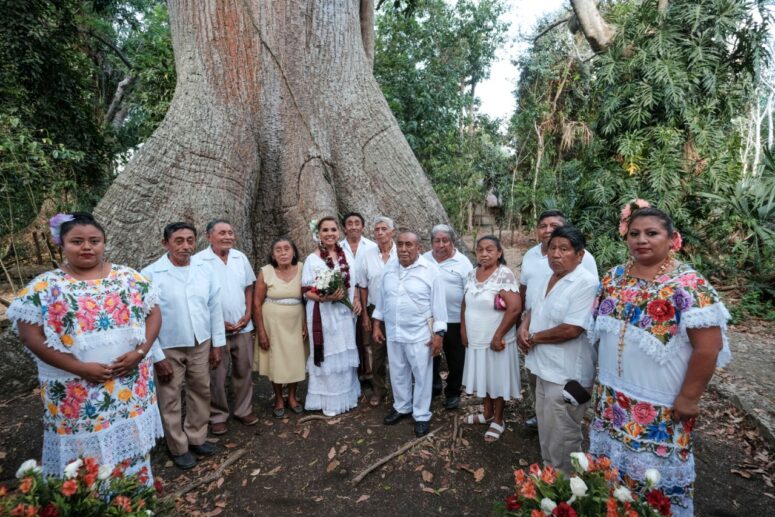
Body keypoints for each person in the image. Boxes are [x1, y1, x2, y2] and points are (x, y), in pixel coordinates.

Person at [588, 205, 730, 516]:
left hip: (661, 404)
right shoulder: (614, 277)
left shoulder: (689, 284)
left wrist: (689, 397)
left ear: (672, 239)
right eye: (635, 233)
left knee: (656, 490)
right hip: (613, 397)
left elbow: (709, 347)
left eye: (652, 233)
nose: (642, 240)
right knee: (613, 482)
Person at [7, 212, 164, 481]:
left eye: (95, 240)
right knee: (84, 462)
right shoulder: (46, 286)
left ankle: (134, 503)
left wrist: (140, 353)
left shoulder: (130, 278)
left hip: (130, 385)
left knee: (132, 453)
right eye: (77, 241)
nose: (87, 247)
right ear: (62, 245)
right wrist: (80, 368)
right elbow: (30, 336)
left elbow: (154, 313)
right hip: (77, 392)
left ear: (104, 243)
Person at [142, 222, 226, 470]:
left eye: (190, 240)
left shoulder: (204, 270)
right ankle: (178, 446)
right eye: (179, 241)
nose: (186, 246)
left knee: (201, 390)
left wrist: (217, 344)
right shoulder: (150, 274)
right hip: (168, 346)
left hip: (200, 341)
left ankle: (197, 437)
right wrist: (157, 356)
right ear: (165, 243)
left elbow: (214, 308)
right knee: (170, 397)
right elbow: (145, 318)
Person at [517, 226, 598, 472]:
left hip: (566, 374)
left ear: (580, 254)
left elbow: (572, 329)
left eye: (564, 249)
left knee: (564, 433)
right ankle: (548, 479)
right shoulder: (546, 277)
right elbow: (536, 307)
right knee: (546, 427)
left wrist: (534, 337)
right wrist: (524, 326)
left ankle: (568, 487)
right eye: (552, 248)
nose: (556, 254)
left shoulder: (586, 283)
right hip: (542, 367)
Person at [372, 231, 447, 437]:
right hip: (394, 331)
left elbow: (439, 306)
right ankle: (402, 406)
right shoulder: (389, 268)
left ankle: (422, 414)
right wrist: (377, 325)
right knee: (397, 371)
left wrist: (438, 335)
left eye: (409, 245)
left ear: (418, 248)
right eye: (401, 244)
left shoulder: (430, 271)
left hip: (420, 334)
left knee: (422, 375)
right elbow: (382, 299)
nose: (404, 249)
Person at [195, 220, 257, 435]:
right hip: (215, 330)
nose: (228, 236)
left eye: (230, 232)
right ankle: (218, 415)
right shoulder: (198, 261)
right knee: (216, 375)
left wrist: (248, 314)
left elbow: (249, 287)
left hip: (243, 326)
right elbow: (197, 297)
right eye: (222, 233)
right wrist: (218, 323)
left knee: (244, 370)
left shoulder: (240, 258)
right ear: (209, 236)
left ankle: (243, 409)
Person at [460, 235, 521, 442]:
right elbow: (465, 304)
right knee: (485, 377)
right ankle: (486, 413)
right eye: (480, 250)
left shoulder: (504, 275)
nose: (484, 254)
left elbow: (514, 308)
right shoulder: (471, 274)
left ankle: (498, 419)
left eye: (489, 250)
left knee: (496, 378)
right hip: (477, 337)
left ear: (499, 253)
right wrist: (463, 329)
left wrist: (498, 336)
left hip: (496, 340)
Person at [302, 217, 362, 416]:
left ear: (339, 232)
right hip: (323, 313)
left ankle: (346, 395)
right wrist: (325, 297)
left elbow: (355, 282)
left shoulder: (346, 255)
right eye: (325, 230)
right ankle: (327, 399)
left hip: (344, 314)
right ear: (318, 234)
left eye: (333, 229)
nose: (329, 233)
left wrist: (357, 300)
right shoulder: (312, 259)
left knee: (344, 351)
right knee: (328, 353)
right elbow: (306, 291)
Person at [254, 237, 307, 418]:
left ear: (293, 252)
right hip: (272, 324)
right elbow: (256, 303)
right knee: (275, 361)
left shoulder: (302, 268)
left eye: (287, 249)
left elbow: (309, 298)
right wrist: (261, 331)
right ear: (273, 254)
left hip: (297, 321)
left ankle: (292, 397)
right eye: (278, 250)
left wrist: (307, 324)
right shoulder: (266, 272)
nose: (283, 252)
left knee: (295, 360)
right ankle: (278, 398)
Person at [424, 224, 473, 410]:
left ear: (452, 242)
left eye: (445, 240)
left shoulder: (463, 263)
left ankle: (452, 393)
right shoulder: (424, 259)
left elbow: (469, 295)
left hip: (455, 320)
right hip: (432, 320)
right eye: (437, 241)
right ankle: (434, 385)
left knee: (456, 360)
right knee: (431, 356)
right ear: (431, 243)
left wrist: (465, 325)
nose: (441, 245)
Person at [355, 216, 397, 407]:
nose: (380, 232)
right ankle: (379, 390)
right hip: (374, 310)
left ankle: (401, 392)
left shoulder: (402, 252)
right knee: (378, 354)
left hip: (399, 311)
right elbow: (362, 286)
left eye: (384, 229)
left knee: (401, 353)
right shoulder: (367, 256)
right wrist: (365, 314)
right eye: (377, 229)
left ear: (392, 232)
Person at [340, 212, 377, 381]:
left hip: (367, 298)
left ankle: (370, 373)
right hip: (343, 301)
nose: (353, 226)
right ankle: (351, 374)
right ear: (344, 227)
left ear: (363, 226)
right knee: (348, 339)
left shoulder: (371, 247)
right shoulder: (338, 248)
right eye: (349, 223)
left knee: (367, 339)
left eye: (357, 223)